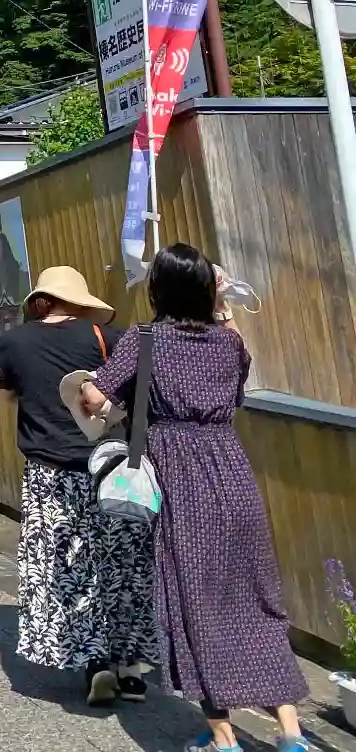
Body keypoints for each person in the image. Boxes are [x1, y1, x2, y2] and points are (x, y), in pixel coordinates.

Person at [82, 244, 312, 752]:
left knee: (194, 602)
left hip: (179, 477)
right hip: (231, 470)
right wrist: (223, 305)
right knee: (255, 596)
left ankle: (224, 739)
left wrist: (87, 393)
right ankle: (292, 733)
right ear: (208, 290)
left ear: (157, 290)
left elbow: (97, 397)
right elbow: (239, 373)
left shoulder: (144, 339)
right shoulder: (228, 342)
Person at [0, 265, 157, 707]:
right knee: (123, 567)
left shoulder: (14, 342)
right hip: (111, 470)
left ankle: (92, 661)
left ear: (41, 301)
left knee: (68, 569)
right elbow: (139, 385)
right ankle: (132, 671)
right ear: (80, 303)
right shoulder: (106, 338)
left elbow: (1, 397)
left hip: (50, 475)